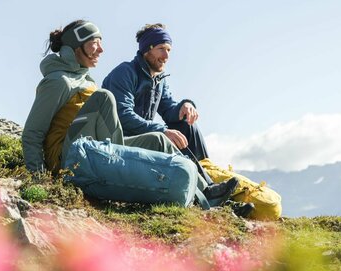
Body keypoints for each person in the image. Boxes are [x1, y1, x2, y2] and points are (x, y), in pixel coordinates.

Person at [20, 20, 240, 208]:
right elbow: (32, 133)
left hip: (93, 148)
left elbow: (168, 108)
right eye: (94, 43)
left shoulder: (86, 81)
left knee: (158, 140)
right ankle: (119, 162)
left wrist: (186, 105)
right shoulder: (58, 82)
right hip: (66, 157)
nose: (101, 49)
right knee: (104, 97)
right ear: (76, 47)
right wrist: (40, 179)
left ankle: (208, 195)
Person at [102, 23, 210, 162]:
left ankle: (206, 170)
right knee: (161, 136)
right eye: (161, 49)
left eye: (169, 50)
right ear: (147, 50)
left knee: (186, 124)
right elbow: (123, 116)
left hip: (145, 134)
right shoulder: (125, 72)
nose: (166, 56)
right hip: (120, 139)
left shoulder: (159, 79)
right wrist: (161, 130)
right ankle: (202, 179)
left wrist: (185, 105)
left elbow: (169, 111)